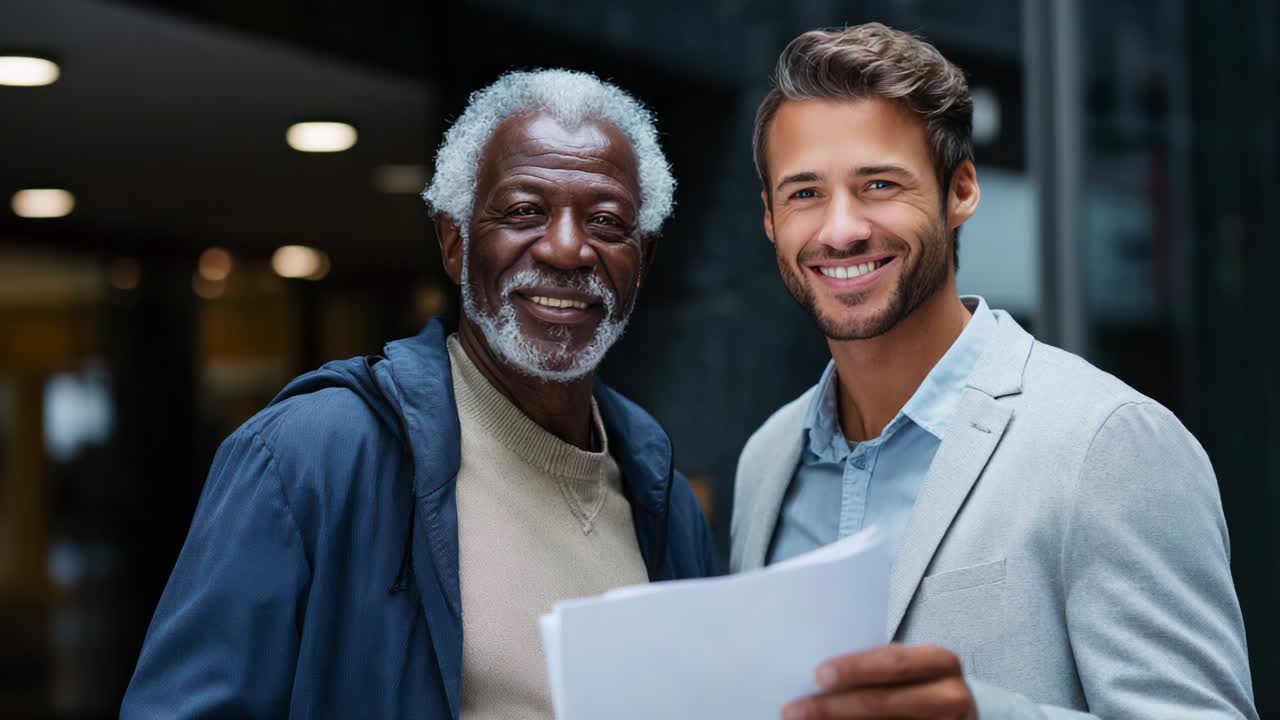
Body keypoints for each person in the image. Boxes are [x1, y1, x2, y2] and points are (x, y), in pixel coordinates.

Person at [122, 69, 717, 719]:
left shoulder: (661, 498)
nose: (568, 248)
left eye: (605, 221)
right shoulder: (307, 456)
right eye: (525, 211)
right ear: (455, 242)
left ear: (645, 258)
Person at [732, 24, 1255, 719]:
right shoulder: (767, 460)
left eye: (879, 184)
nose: (840, 229)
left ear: (962, 191)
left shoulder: (1109, 443)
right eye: (804, 195)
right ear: (769, 219)